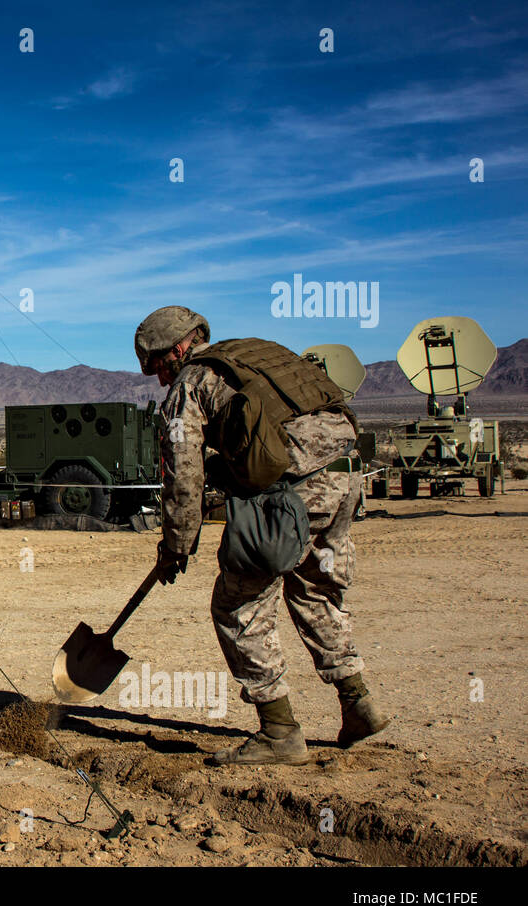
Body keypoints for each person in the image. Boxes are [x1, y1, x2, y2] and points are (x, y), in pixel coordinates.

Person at [135, 305, 388, 765]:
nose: (159, 380)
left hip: (292, 493)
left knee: (238, 605)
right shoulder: (259, 354)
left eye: (157, 367)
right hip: (347, 476)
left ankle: (279, 732)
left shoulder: (190, 385)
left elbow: (183, 479)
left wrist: (176, 546)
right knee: (315, 591)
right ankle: (358, 703)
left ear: (177, 349)